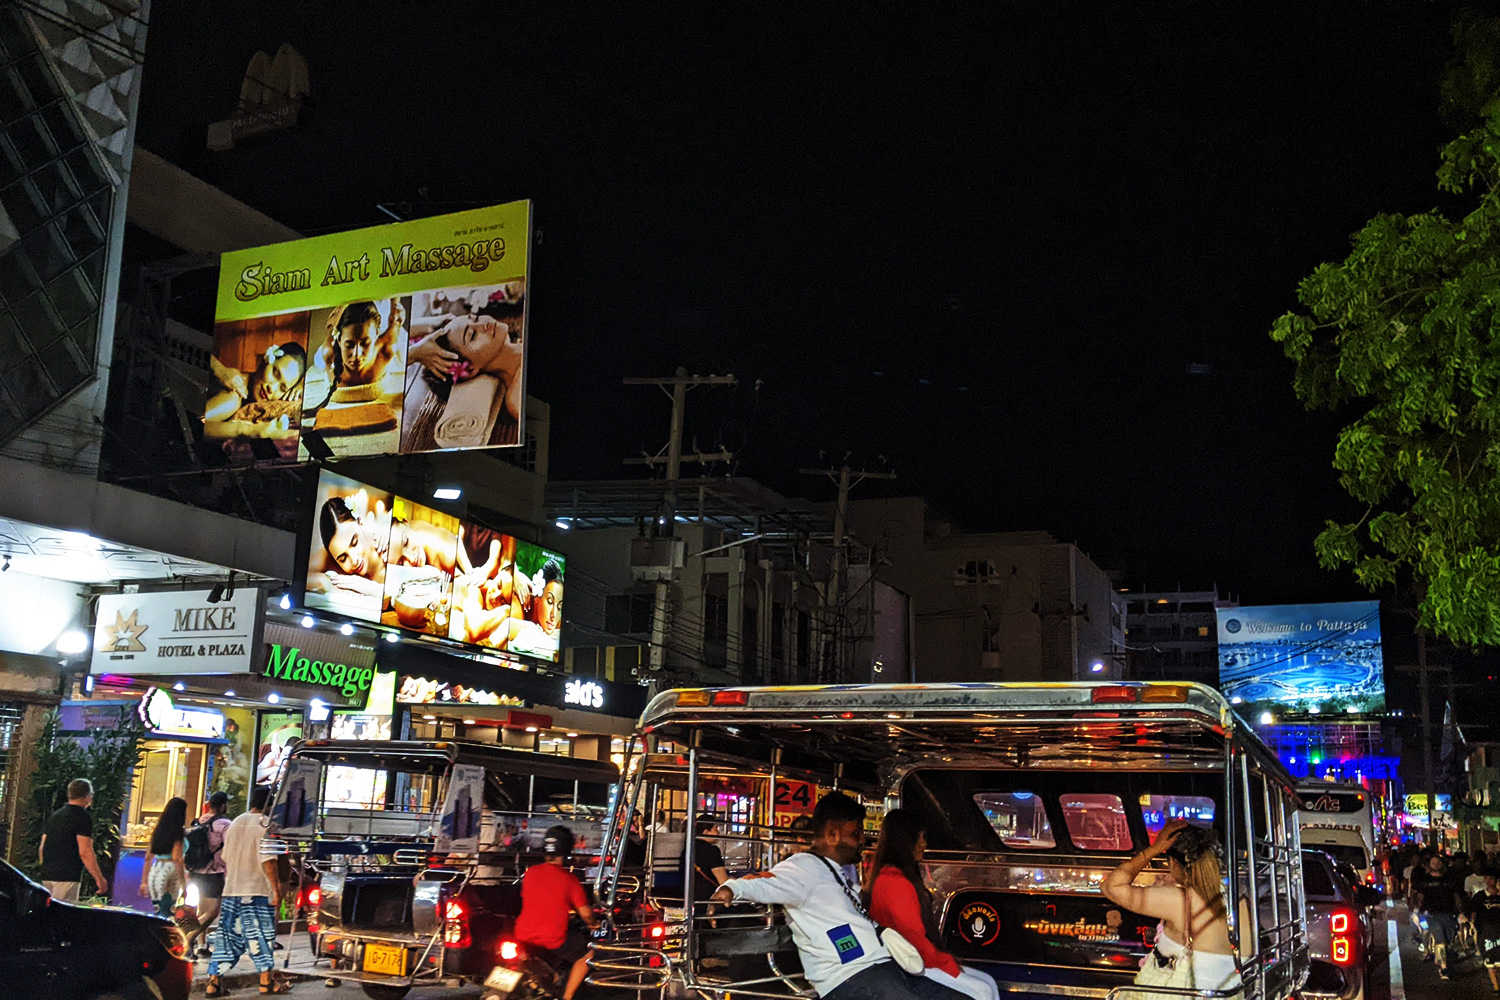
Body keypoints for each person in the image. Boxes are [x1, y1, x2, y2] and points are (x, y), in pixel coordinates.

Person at [710, 792, 964, 999]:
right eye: (856, 833)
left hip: (880, 967)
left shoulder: (834, 870)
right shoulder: (801, 867)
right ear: (832, 834)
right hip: (849, 977)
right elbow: (767, 882)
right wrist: (732, 888)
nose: (863, 840)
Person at [866, 810, 1000, 1000]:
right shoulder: (896, 882)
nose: (924, 844)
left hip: (910, 960)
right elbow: (915, 939)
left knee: (988, 983)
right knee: (982, 990)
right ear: (905, 841)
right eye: (919, 838)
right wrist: (946, 961)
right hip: (910, 963)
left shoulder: (889, 876)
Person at [1102, 820, 1243, 993]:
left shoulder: (1180, 900)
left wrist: (1153, 849)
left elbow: (1111, 887)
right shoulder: (1235, 899)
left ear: (1172, 863)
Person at [206, 786, 287, 997]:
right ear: (270, 802)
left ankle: (214, 983)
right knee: (261, 936)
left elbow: (225, 856)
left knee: (227, 936)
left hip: (232, 888)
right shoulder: (267, 825)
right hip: (257, 889)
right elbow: (268, 860)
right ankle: (265, 983)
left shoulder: (236, 823)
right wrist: (276, 889)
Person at [513, 825, 599, 1000]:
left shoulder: (531, 873)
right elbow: (586, 913)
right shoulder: (569, 879)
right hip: (552, 939)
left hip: (523, 936)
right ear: (567, 849)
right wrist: (593, 923)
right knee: (587, 953)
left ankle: (553, 979)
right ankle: (567, 996)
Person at [38, 778, 107, 902]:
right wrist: (99, 878)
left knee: (49, 914)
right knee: (63, 916)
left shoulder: (55, 816)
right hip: (67, 876)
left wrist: (45, 867)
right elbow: (85, 852)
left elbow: (42, 847)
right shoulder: (82, 817)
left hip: (47, 876)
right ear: (87, 796)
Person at [187, 792, 234, 958]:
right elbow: (230, 850)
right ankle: (188, 939)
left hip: (195, 871)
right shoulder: (225, 824)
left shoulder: (199, 821)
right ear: (222, 806)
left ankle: (201, 945)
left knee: (201, 909)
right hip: (214, 872)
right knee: (213, 911)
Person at [1414, 852, 1467, 979]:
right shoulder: (1425, 880)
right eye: (1433, 862)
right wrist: (1418, 910)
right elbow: (1419, 896)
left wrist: (1461, 911)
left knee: (1448, 941)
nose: (1436, 865)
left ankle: (1440, 959)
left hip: (1449, 914)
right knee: (1440, 940)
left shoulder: (1450, 879)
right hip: (1432, 915)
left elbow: (1457, 896)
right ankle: (1444, 968)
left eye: (1438, 862)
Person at [140, 796, 188, 919]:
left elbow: (148, 857)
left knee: (158, 909)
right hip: (171, 871)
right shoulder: (177, 833)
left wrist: (144, 881)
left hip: (155, 871)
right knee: (169, 912)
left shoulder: (158, 831)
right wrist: (184, 885)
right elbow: (177, 859)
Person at [682, 812, 731, 903]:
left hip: (688, 898)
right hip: (709, 899)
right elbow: (723, 882)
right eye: (715, 828)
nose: (718, 832)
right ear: (706, 831)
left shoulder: (687, 848)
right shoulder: (711, 851)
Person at [1473, 869, 1500, 993]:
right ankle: (1495, 986)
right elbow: (1473, 912)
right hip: (1486, 932)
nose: (1490, 881)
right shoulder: (1479, 896)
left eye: (1492, 879)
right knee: (1490, 961)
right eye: (1487, 878)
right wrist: (1473, 926)